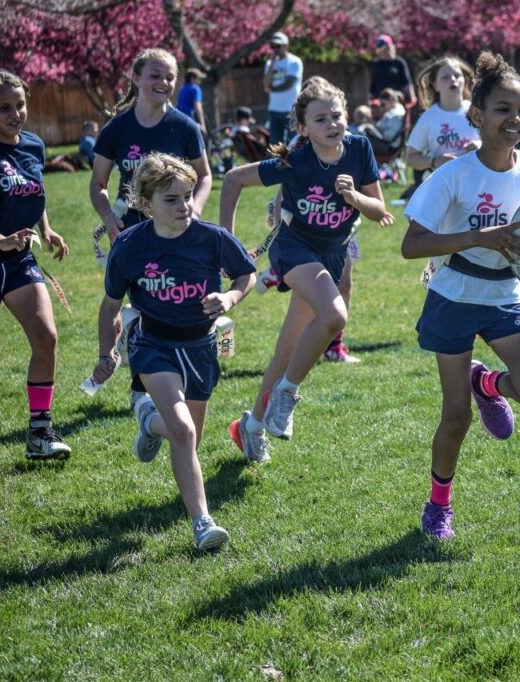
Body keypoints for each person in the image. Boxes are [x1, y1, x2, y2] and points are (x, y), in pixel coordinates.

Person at [400, 52, 520, 539]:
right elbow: (411, 245)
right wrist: (479, 236)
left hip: (505, 293)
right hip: (454, 295)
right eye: (503, 109)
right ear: (477, 116)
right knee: (455, 417)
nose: (516, 120)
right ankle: (439, 505)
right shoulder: (454, 175)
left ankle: (489, 385)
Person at [221, 77, 394, 462]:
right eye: (320, 119)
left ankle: (250, 426)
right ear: (302, 128)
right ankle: (287, 393)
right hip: (294, 247)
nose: (332, 124)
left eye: (337, 115)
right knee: (334, 316)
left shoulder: (360, 147)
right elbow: (233, 180)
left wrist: (354, 196)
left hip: (333, 253)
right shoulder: (294, 161)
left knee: (287, 349)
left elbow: (381, 211)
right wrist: (227, 246)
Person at [100, 153, 255, 551]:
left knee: (188, 439)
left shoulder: (211, 238)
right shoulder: (131, 247)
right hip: (153, 345)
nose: (184, 205)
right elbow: (110, 304)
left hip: (202, 347)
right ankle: (203, 522)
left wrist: (230, 296)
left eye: (187, 196)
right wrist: (106, 355)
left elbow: (246, 272)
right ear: (146, 205)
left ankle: (147, 420)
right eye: (171, 199)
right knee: (183, 431)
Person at [89, 49, 211, 410]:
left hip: (175, 230)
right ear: (137, 79)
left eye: (170, 76)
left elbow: (204, 176)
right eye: (155, 75)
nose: (164, 83)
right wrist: (109, 218)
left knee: (164, 303)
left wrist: (195, 210)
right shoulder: (117, 128)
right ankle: (113, 359)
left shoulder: (184, 127)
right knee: (124, 302)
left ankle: (144, 387)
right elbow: (98, 184)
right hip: (131, 232)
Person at [0, 69, 71, 460]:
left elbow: (32, 191)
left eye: (20, 104)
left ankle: (40, 434)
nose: (15, 113)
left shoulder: (34, 145)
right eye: (4, 107)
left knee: (46, 337)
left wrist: (48, 227)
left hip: (19, 260)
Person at [406, 56, 479, 181]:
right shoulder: (428, 117)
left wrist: (480, 145)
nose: (452, 79)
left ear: (465, 81)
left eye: (457, 75)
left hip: (475, 180)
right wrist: (434, 161)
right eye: (445, 77)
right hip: (442, 183)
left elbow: (496, 145)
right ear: (435, 85)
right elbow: (411, 158)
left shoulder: (478, 112)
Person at [263, 32, 303, 146]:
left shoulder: (294, 62)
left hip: (291, 109)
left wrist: (271, 88)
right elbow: (265, 83)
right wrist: (272, 65)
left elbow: (289, 83)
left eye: (278, 46)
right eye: (273, 46)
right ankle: (279, 164)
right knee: (275, 145)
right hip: (274, 109)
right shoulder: (270, 63)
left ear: (286, 46)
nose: (275, 49)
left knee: (294, 143)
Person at [369, 34, 416, 107]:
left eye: (385, 48)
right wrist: (369, 99)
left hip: (396, 99)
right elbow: (373, 84)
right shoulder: (376, 64)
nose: (383, 51)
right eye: (381, 49)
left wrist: (412, 97)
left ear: (390, 47)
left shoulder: (399, 62)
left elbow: (406, 82)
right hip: (380, 102)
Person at [176, 67, 207, 134]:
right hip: (188, 119)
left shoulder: (182, 88)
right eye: (199, 79)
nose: (200, 81)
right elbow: (198, 107)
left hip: (177, 118)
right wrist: (203, 125)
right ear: (192, 78)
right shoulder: (195, 89)